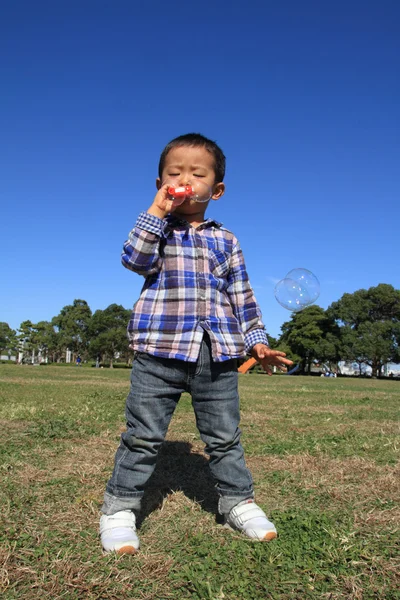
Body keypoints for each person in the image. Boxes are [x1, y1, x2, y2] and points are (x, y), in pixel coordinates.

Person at [100, 133, 292, 554]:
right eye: (174, 173)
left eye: (196, 173)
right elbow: (134, 259)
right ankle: (119, 509)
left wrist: (257, 343)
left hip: (217, 356)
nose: (184, 179)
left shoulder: (227, 241)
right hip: (159, 352)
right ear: (159, 184)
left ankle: (238, 502)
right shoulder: (158, 230)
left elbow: (242, 297)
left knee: (224, 438)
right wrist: (156, 211)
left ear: (216, 190)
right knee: (143, 436)